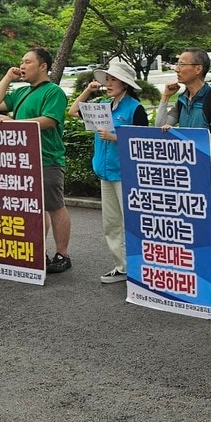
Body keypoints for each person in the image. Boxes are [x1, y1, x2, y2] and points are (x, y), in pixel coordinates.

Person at [157, 48, 211, 303]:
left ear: (198, 69)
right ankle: (203, 277)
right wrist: (165, 97)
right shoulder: (182, 99)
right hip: (187, 176)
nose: (177, 68)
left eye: (182, 64)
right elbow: (159, 126)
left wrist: (180, 135)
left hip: (210, 176)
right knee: (194, 230)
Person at [0, 47, 73, 274]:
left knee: (54, 206)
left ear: (43, 66)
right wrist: (8, 77)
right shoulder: (22, 91)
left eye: (27, 62)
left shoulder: (53, 91)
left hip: (47, 158)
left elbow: (49, 120)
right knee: (33, 208)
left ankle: (63, 254)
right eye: (21, 62)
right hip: (23, 159)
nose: (22, 66)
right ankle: (37, 251)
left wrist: (13, 124)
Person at [69, 59, 149, 285]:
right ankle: (122, 267)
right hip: (106, 173)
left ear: (125, 83)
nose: (108, 83)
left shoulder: (135, 108)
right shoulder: (103, 106)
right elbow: (74, 111)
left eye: (114, 79)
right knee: (111, 223)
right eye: (107, 79)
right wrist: (87, 91)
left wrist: (115, 137)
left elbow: (144, 141)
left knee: (131, 223)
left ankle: (141, 268)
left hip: (126, 174)